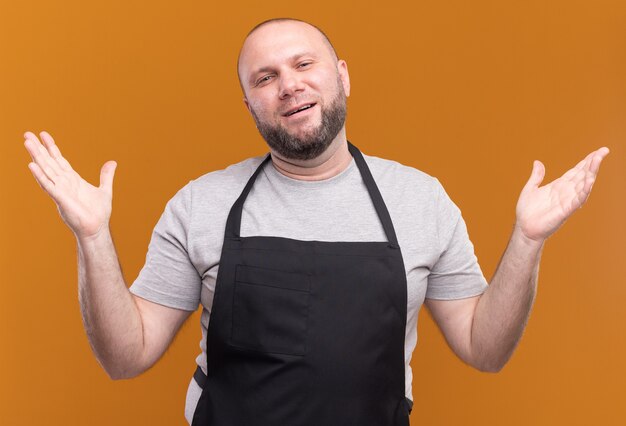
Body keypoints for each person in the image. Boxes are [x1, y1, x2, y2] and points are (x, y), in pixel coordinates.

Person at [24, 18, 609, 426]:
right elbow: (125, 357)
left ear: (342, 76)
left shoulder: (421, 200)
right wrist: (93, 238)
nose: (289, 85)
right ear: (249, 103)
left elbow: (486, 347)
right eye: (265, 77)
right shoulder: (200, 204)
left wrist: (527, 240)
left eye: (304, 64)